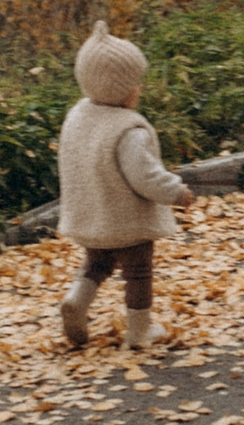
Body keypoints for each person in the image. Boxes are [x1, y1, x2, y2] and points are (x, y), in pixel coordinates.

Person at [56, 20, 195, 350]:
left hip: (93, 216)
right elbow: (144, 176)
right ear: (120, 90)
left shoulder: (78, 116)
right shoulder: (128, 129)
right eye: (135, 83)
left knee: (97, 262)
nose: (139, 88)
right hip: (127, 220)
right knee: (138, 272)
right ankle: (139, 331)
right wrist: (176, 191)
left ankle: (76, 299)